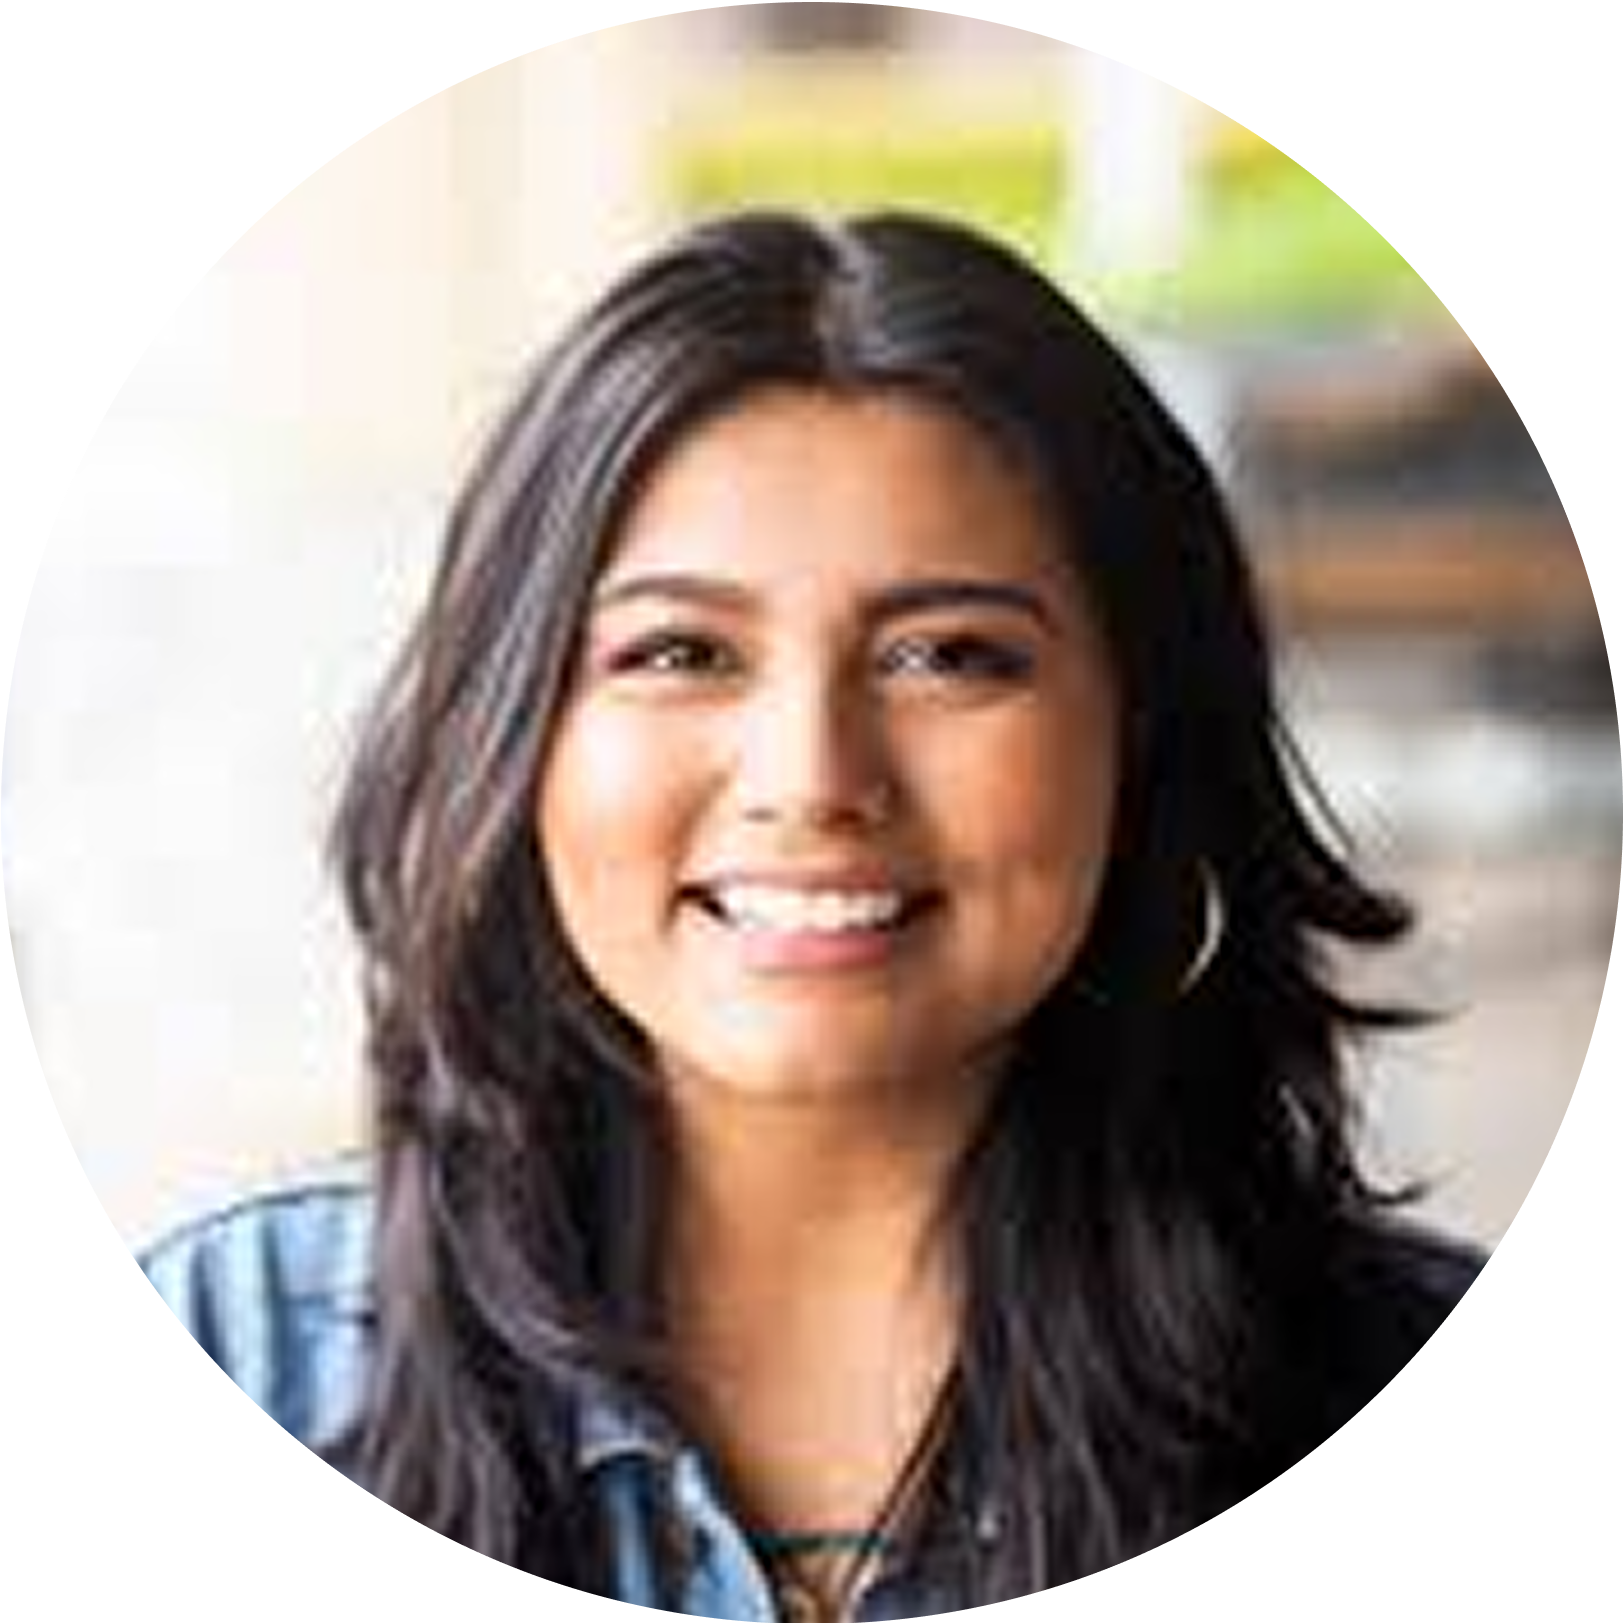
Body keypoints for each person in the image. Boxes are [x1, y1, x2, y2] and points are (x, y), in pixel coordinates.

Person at [140, 209, 1483, 1613]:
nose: (811, 779)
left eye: (947, 655)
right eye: (679, 651)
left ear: (1140, 732)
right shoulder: (246, 1351)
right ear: (512, 733)